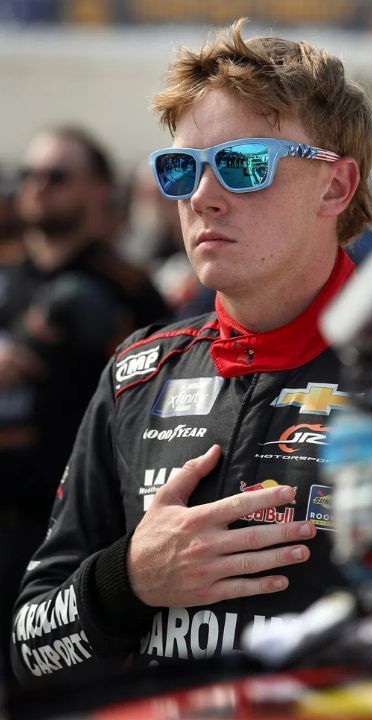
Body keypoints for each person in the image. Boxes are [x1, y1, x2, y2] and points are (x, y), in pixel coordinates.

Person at [10, 19, 372, 688]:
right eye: (182, 168)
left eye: (242, 164)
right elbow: (31, 651)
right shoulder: (136, 375)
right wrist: (129, 580)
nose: (203, 197)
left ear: (336, 186)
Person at [0, 128, 168, 692]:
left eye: (57, 176)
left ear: (98, 190)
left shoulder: (127, 290)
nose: (38, 188)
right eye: (29, 175)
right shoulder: (6, 274)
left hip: (67, 537)